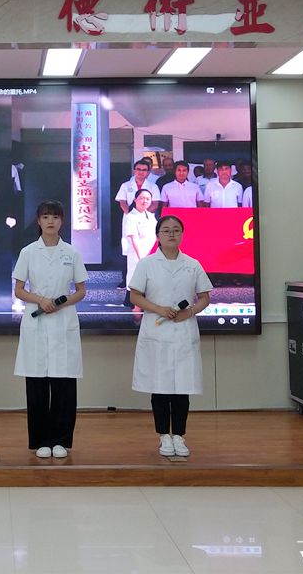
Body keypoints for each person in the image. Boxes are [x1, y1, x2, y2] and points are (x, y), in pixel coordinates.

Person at [128, 215, 212, 458]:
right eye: (166, 230)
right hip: (157, 330)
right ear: (158, 236)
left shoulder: (192, 264)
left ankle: (179, 436)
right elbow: (135, 296)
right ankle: (164, 435)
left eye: (176, 230)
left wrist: (190, 312)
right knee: (160, 386)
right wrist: (159, 309)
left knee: (182, 387)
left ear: (182, 234)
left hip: (183, 330)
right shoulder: (147, 264)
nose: (171, 234)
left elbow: (204, 297)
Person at [12, 200, 88, 459]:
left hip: (63, 318)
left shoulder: (72, 253)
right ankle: (41, 440)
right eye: (46, 217)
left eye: (55, 217)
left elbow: (81, 290)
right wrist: (41, 300)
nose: (51, 221)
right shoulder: (28, 252)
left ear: (62, 221)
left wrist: (61, 302)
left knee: (64, 383)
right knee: (37, 384)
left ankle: (61, 440)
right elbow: (19, 289)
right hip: (37, 319)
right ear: (38, 221)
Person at [122, 189, 157, 310]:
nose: (144, 201)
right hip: (138, 254)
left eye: (148, 199)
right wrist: (141, 258)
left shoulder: (151, 216)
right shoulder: (131, 217)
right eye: (141, 198)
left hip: (151, 253)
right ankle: (133, 304)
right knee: (136, 277)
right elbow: (134, 238)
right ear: (135, 200)